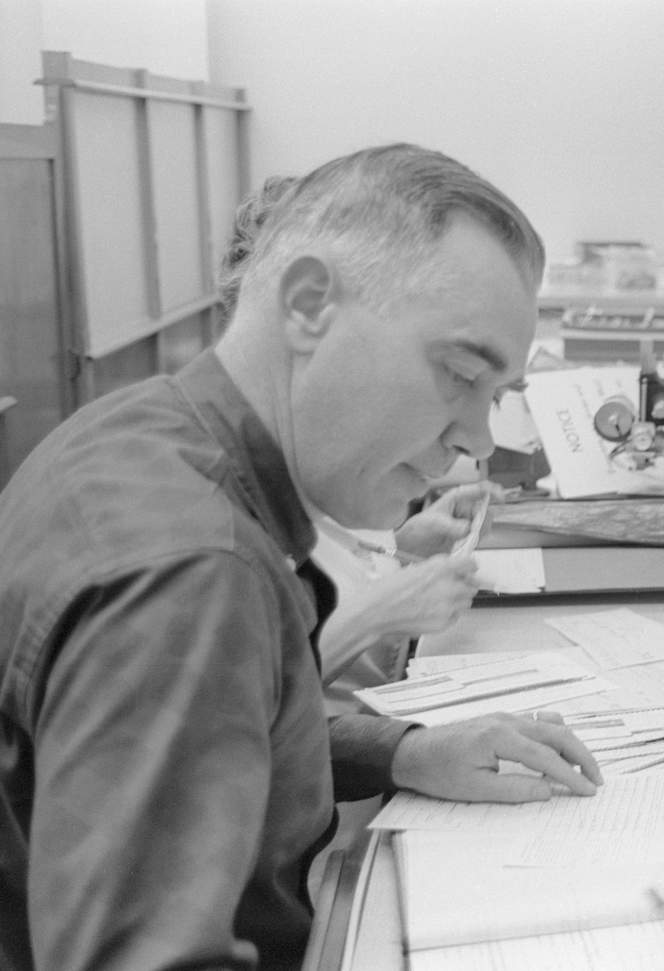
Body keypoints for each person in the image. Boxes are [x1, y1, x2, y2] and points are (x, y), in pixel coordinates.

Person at [0, 143, 605, 970]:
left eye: (495, 397)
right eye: (460, 373)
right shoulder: (194, 574)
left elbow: (224, 723)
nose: (478, 440)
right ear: (310, 303)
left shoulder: (142, 431)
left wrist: (401, 750)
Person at [217, 173, 499, 714]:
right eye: (456, 373)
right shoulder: (209, 514)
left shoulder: (306, 454)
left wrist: (405, 547)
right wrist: (380, 613)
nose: (477, 440)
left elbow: (324, 564)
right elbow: (240, 717)